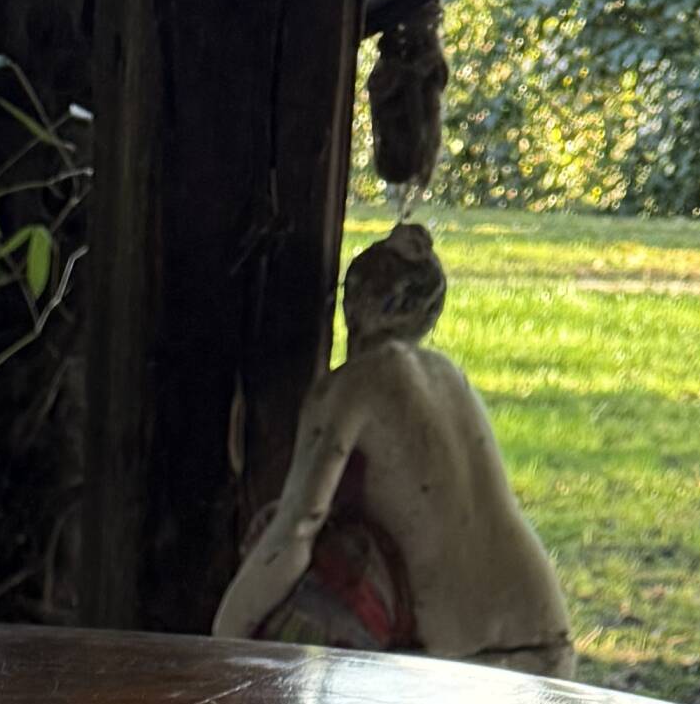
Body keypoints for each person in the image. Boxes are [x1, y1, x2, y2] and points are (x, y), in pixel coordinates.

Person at [213, 221, 574, 674]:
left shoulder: (352, 387)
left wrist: (223, 641)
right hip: (546, 634)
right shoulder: (449, 377)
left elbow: (295, 533)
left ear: (351, 305)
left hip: (471, 664)